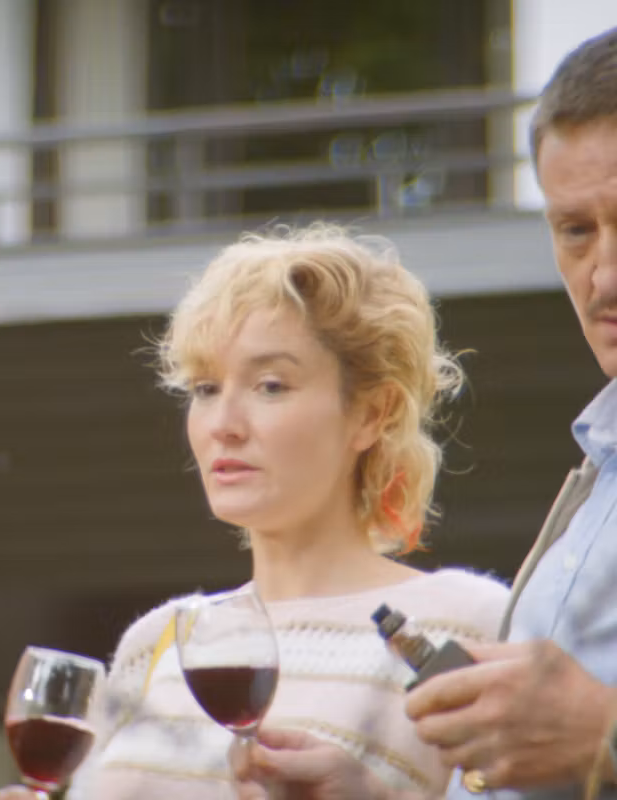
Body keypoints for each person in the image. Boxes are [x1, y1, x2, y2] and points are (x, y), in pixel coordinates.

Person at [231, 25, 617, 800]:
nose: (602, 276)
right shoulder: (599, 466)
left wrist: (603, 735)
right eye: (576, 231)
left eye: (273, 385)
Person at [0, 223, 510, 800]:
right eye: (205, 388)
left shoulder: (466, 625)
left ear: (373, 414)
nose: (224, 425)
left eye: (270, 386)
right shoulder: (157, 641)